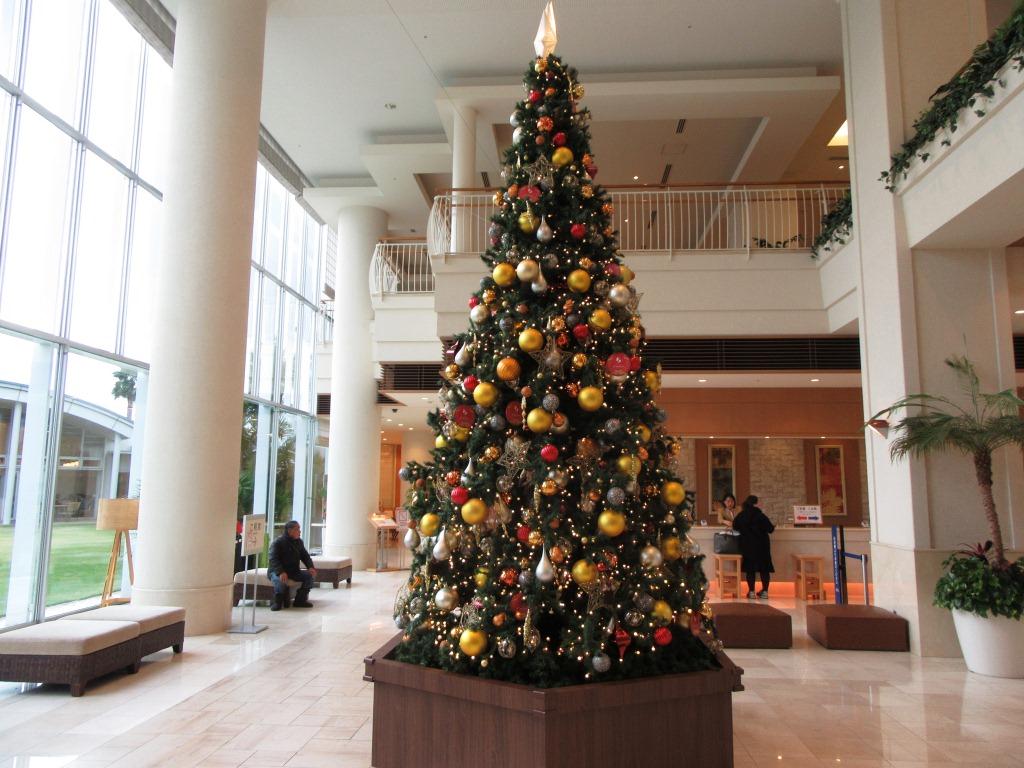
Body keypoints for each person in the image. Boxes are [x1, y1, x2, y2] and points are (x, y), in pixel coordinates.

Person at [731, 495, 774, 599]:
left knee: (750, 569)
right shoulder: (760, 515)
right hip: (762, 545)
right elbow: (771, 529)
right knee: (764, 569)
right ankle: (765, 592)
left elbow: (735, 526)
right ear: (756, 504)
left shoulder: (741, 515)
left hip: (747, 545)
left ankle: (751, 592)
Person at [267, 520, 317, 611]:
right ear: (290, 531)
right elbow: (273, 559)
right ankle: (276, 602)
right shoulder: (278, 542)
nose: (300, 531)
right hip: (276, 571)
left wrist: (310, 567)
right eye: (297, 529)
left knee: (310, 576)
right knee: (279, 581)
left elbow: (305, 556)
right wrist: (281, 572)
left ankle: (300, 600)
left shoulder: (299, 542)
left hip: (293, 571)